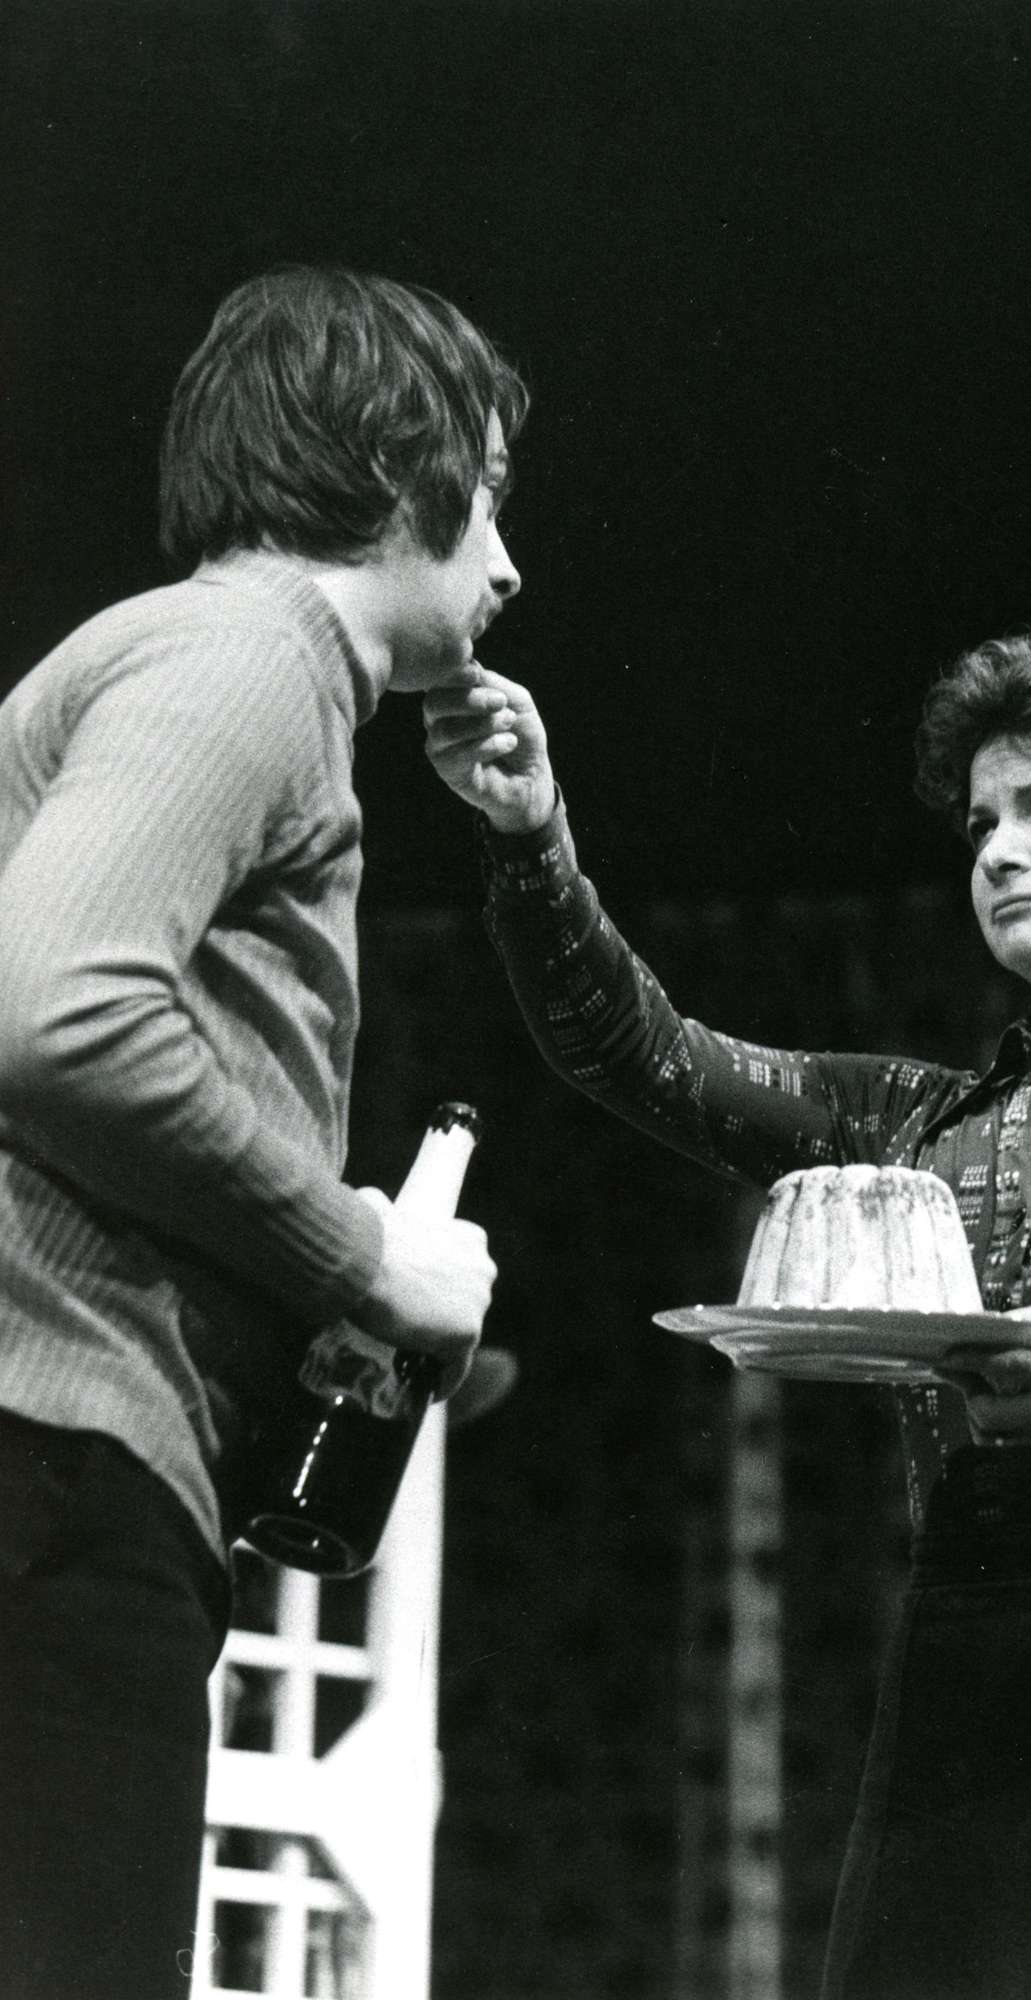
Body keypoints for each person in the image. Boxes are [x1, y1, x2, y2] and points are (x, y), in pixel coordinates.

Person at [425, 608, 1031, 2000]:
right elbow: (636, 1052)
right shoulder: (913, 1124)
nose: (997, 849)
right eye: (978, 823)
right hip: (958, 1721)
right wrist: (529, 833)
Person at [0, 265, 522, 1998]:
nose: (508, 566)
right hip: (54, 1466)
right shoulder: (247, 661)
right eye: (488, 499)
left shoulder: (185, 660)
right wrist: (361, 1254)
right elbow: (59, 1010)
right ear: (396, 475)